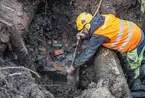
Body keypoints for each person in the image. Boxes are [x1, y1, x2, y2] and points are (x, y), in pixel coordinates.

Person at [67, 12, 145, 90]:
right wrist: (85, 35)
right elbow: (95, 32)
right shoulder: (101, 18)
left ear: (87, 26)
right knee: (125, 60)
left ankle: (134, 84)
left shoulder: (98, 35)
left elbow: (88, 53)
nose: (82, 32)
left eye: (82, 30)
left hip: (136, 41)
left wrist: (74, 65)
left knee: (133, 66)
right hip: (133, 30)